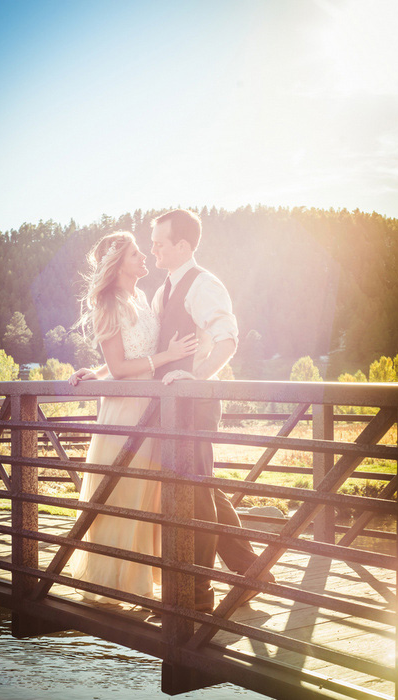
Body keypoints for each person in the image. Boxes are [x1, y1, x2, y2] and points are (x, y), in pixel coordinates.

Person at [151, 208, 274, 613]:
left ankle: (197, 597)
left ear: (182, 245)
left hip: (196, 404)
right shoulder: (163, 290)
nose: (153, 248)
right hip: (169, 406)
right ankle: (252, 573)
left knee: (196, 493)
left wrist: (196, 378)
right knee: (203, 487)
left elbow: (227, 340)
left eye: (160, 242)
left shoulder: (203, 284)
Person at [68, 231, 198, 605]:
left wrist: (99, 372)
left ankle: (140, 579)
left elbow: (118, 364)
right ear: (119, 263)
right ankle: (112, 584)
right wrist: (168, 357)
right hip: (125, 412)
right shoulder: (108, 304)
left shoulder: (141, 297)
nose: (145, 258)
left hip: (150, 407)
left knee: (145, 495)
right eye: (136, 254)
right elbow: (121, 366)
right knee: (122, 494)